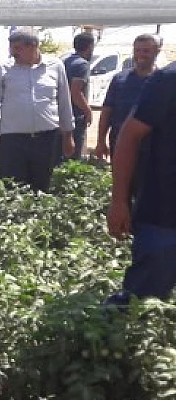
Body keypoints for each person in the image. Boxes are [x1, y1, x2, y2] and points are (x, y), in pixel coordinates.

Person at [106, 60, 176, 304]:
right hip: (163, 214)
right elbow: (128, 137)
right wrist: (119, 201)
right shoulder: (168, 80)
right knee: (141, 302)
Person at [0, 30, 75, 191]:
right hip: (13, 141)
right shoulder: (3, 69)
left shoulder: (55, 67)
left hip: (47, 139)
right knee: (12, 188)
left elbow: (64, 102)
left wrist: (68, 135)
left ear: (33, 47)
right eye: (12, 48)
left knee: (44, 186)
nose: (13, 53)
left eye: (18, 48)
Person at [95, 34, 163, 162]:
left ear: (157, 52)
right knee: (121, 180)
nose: (140, 54)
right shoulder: (120, 79)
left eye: (146, 51)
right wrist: (101, 141)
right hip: (120, 141)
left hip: (152, 144)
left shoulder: (163, 80)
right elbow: (107, 112)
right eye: (137, 50)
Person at [63, 31, 96, 159]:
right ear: (90, 46)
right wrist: (88, 111)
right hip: (76, 115)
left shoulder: (67, 61)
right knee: (74, 155)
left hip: (64, 114)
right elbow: (76, 92)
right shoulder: (82, 64)